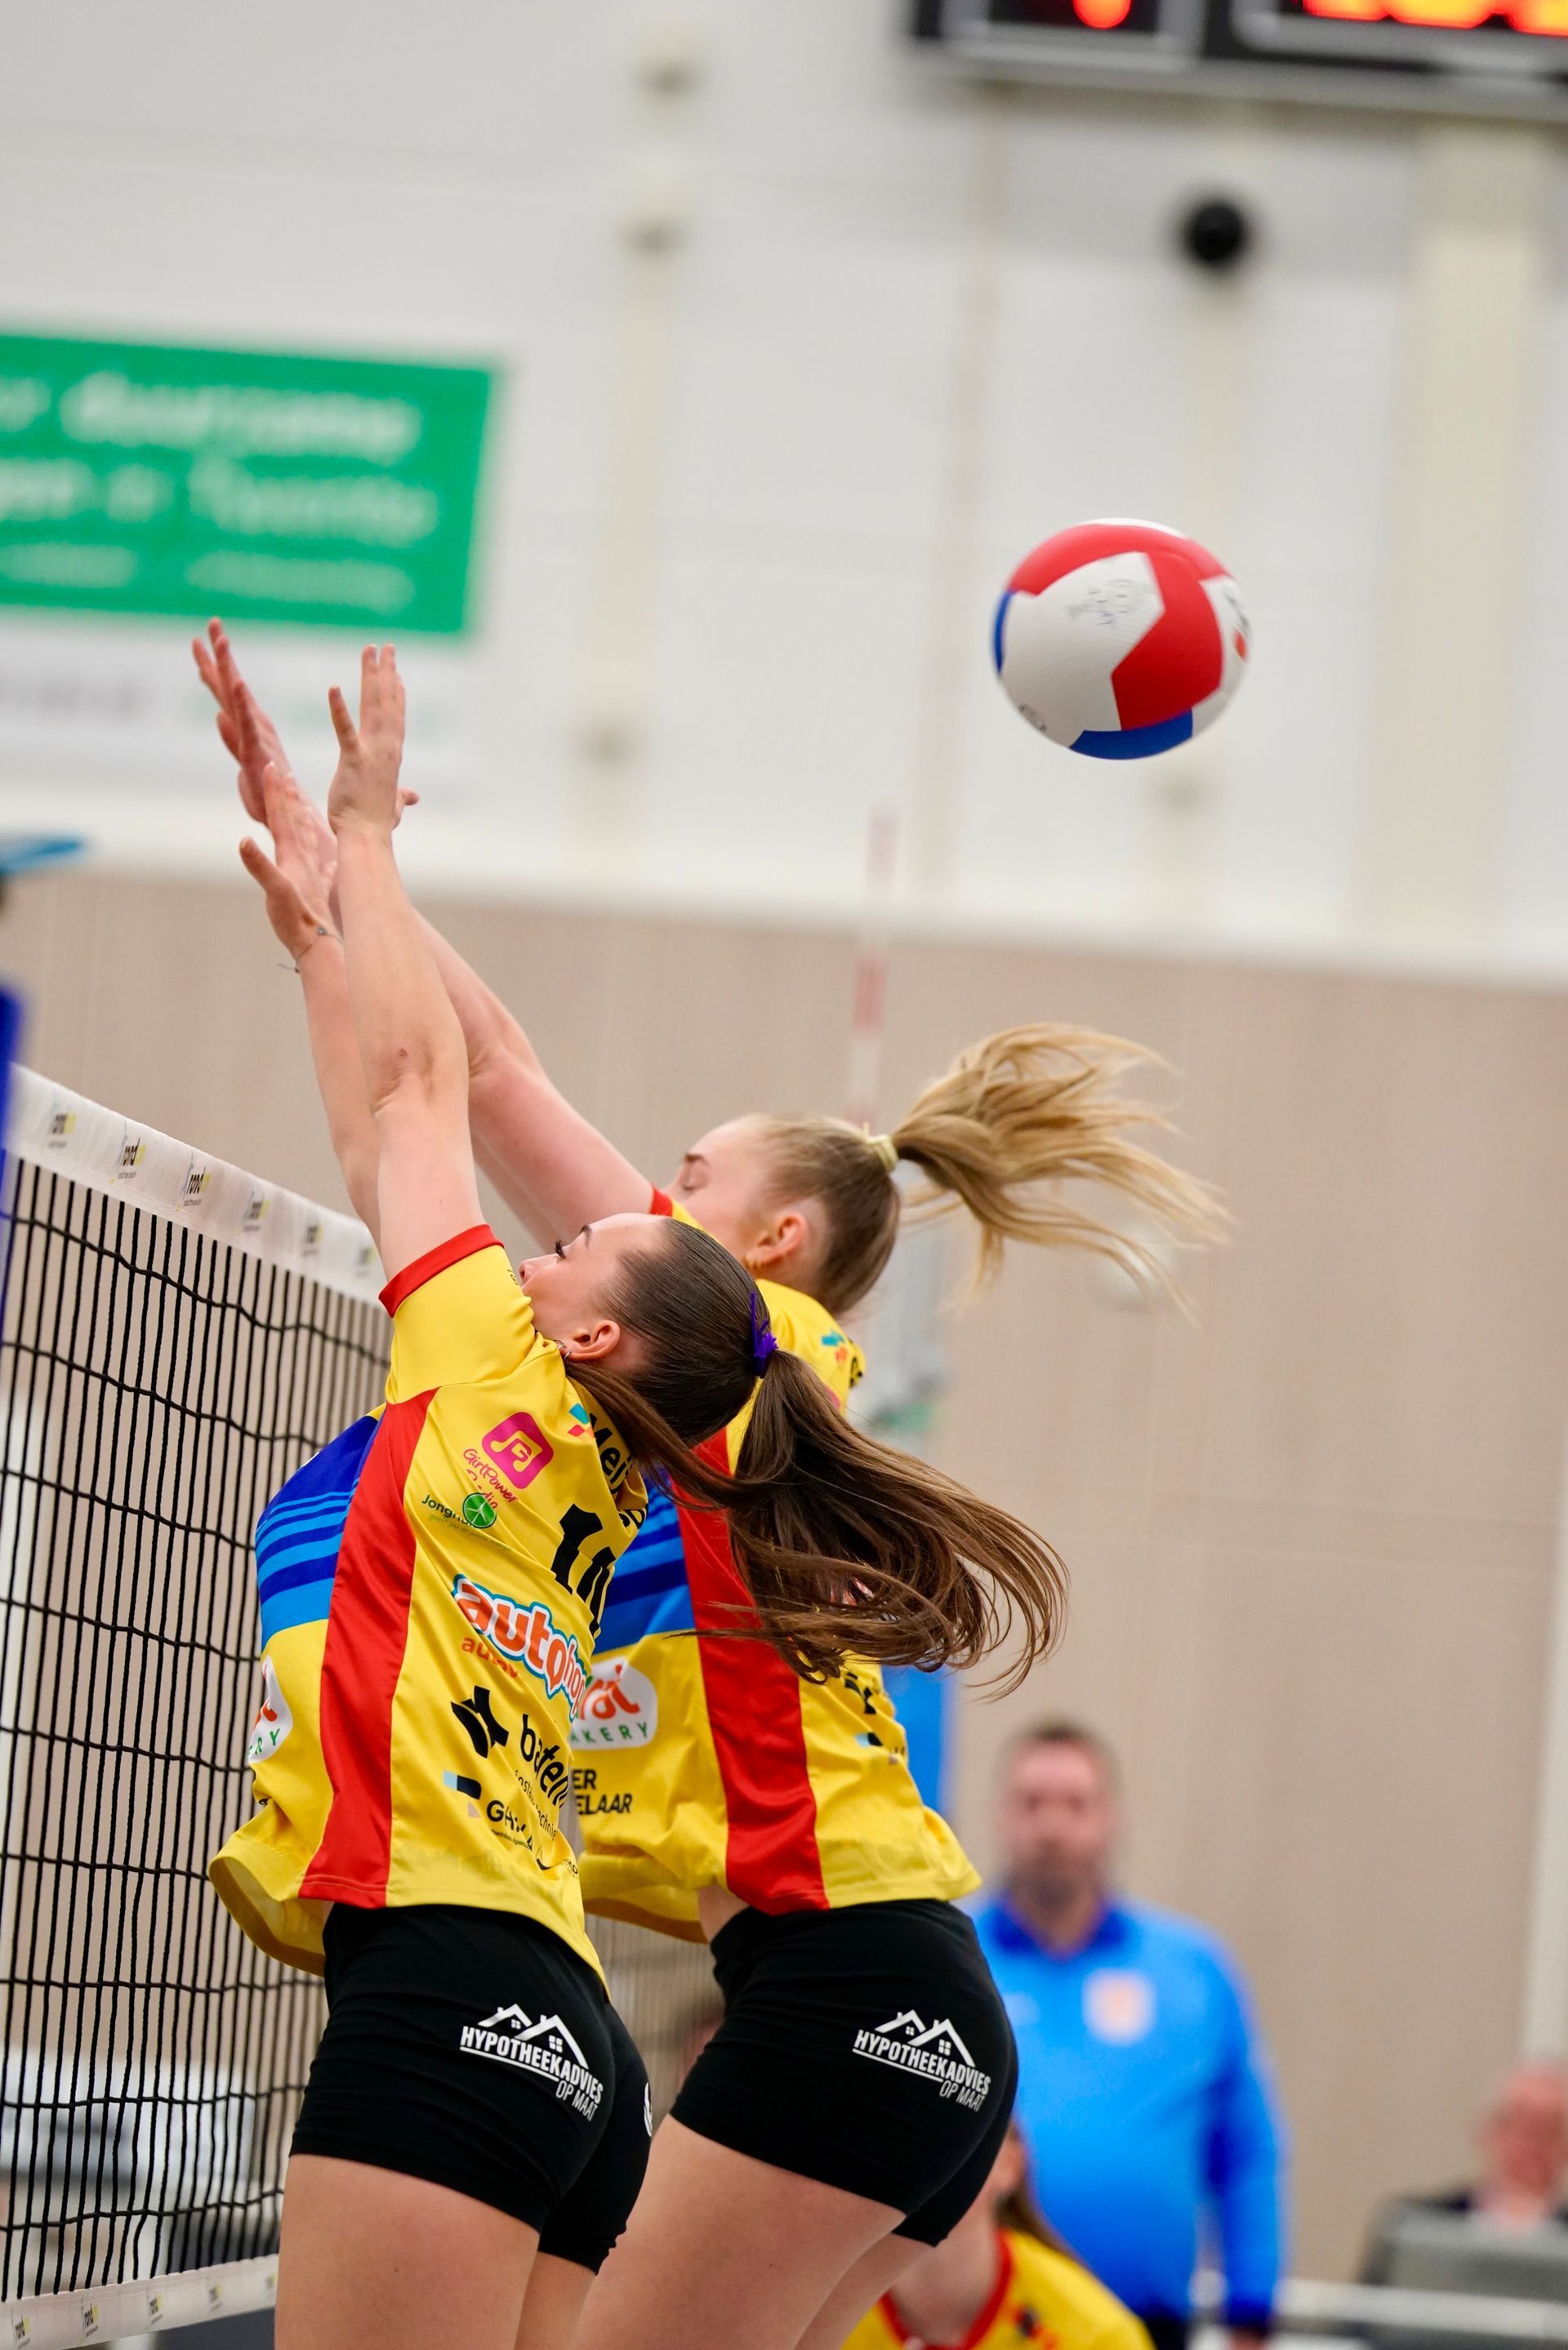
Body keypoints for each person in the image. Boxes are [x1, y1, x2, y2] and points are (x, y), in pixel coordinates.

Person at [199, 619, 1218, 2350]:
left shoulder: (741, 1353)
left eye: (677, 1180)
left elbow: (463, 1082)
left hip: (836, 1983)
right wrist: (344, 888)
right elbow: (464, 1078)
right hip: (866, 1992)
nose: (624, 1202)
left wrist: (360, 853)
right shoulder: (717, 1395)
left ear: (765, 1246)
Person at [972, 1723, 1285, 2350]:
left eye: (1076, 1804)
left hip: (1150, 2324)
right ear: (1002, 1818)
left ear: (1111, 1819)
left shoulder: (1194, 1970)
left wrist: (1251, 2310)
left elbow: (1247, 2150)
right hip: (983, 2325)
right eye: (1033, 1802)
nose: (1053, 1826)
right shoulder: (951, 1959)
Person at [840, 2120, 1152, 2350]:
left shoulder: (1098, 2336)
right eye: (900, 2139)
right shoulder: (817, 2308)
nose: (927, 2168)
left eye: (958, 2141)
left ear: (1011, 2165)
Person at [1360, 2063, 1568, 2279]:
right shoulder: (1415, 2225)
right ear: (1488, 2130)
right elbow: (1368, 2308)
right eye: (1520, 2124)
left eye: (1550, 2129)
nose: (1533, 2142)